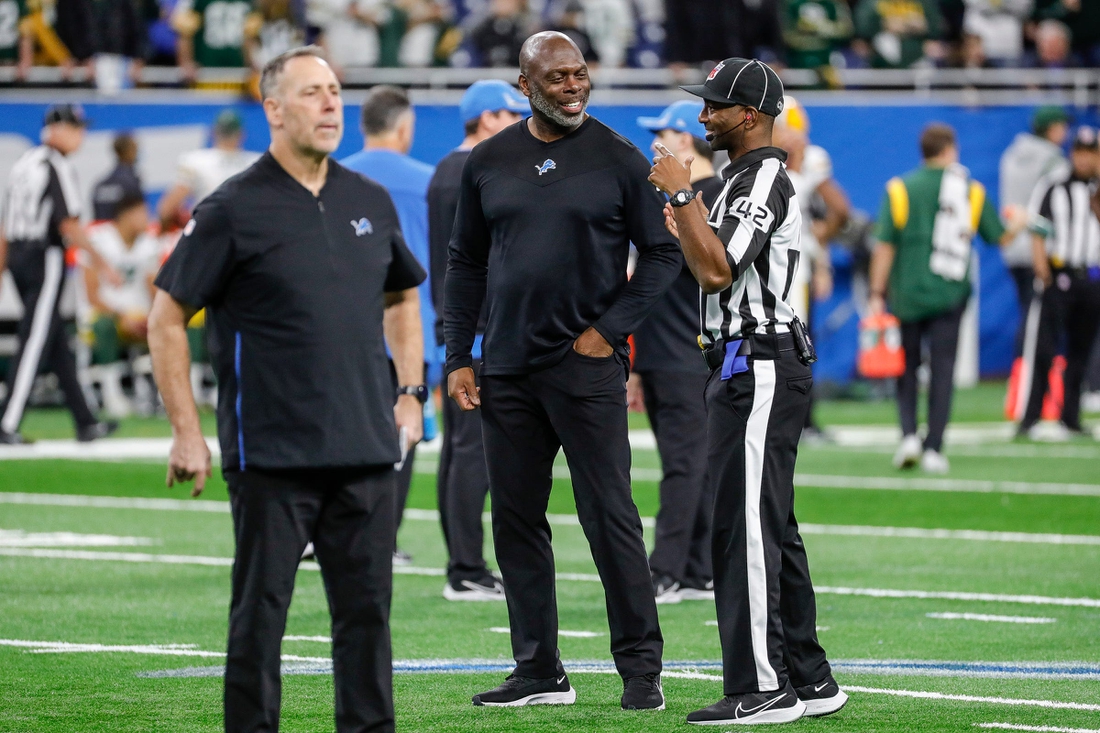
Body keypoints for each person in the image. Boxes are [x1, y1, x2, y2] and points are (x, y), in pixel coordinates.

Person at [148, 46, 426, 733]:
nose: (331, 103)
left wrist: (410, 391)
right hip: (272, 455)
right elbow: (165, 318)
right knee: (260, 618)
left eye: (335, 91)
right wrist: (187, 431)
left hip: (366, 449)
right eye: (312, 92)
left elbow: (401, 297)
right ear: (273, 109)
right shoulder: (231, 207)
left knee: (367, 620)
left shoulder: (368, 198)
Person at [445, 31, 677, 711]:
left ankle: (641, 669)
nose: (573, 86)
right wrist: (458, 355)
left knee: (609, 516)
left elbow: (662, 255)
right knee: (516, 521)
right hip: (506, 369)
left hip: (586, 369)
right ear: (525, 85)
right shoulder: (487, 160)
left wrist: (608, 333)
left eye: (580, 74)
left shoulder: (619, 157)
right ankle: (539, 669)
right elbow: (465, 263)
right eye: (557, 78)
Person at [649, 56, 845, 726]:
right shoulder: (740, 175)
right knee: (770, 526)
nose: (704, 114)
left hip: (759, 360)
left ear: (752, 115)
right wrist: (689, 219)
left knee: (745, 530)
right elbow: (714, 264)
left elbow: (718, 271)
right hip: (744, 360)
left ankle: (763, 686)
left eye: (716, 105)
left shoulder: (760, 175)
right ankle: (810, 678)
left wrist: (683, 197)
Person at [869, 123, 1026, 473]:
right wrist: (1020, 221)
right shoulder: (970, 190)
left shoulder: (899, 189)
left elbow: (884, 246)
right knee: (942, 370)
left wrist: (877, 292)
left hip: (907, 293)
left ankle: (909, 436)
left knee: (906, 368)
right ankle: (934, 447)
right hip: (949, 293)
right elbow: (999, 237)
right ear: (949, 149)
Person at [428, 79, 526, 602]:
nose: (520, 127)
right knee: (473, 453)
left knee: (458, 451)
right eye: (511, 116)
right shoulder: (478, 169)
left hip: (458, 326)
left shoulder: (444, 170)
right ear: (488, 118)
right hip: (480, 329)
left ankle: (462, 563)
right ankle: (465, 567)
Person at [342, 84, 436, 567]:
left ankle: (330, 532)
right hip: (413, 325)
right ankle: (384, 539)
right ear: (403, 128)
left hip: (346, 326)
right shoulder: (429, 182)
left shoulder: (334, 179)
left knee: (343, 430)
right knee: (402, 430)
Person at [630, 99, 720, 605]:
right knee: (691, 463)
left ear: (686, 139)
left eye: (662, 135)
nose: (654, 146)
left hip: (691, 351)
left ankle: (665, 570)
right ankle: (697, 568)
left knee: (685, 465)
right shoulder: (680, 198)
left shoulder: (708, 197)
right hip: (667, 351)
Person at [0, 103, 119, 445]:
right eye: (76, 128)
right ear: (57, 129)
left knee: (55, 342)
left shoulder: (23, 164)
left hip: (19, 255)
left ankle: (85, 421)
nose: (81, 136)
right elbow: (68, 224)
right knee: (35, 339)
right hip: (44, 257)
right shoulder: (58, 165)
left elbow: (6, 225)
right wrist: (102, 263)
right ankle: (7, 421)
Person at [772, 94, 849, 442]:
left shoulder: (804, 164)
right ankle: (797, 419)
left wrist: (820, 249)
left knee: (795, 341)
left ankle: (801, 419)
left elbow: (838, 211)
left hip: (791, 266)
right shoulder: (774, 165)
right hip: (784, 265)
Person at [1017, 126, 1100, 441]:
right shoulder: (1054, 184)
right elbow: (1038, 228)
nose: (1084, 159)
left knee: (1082, 351)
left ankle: (1071, 417)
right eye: (1080, 152)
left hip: (1092, 277)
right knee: (1045, 348)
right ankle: (1031, 418)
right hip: (1059, 275)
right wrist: (1042, 269)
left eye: (1090, 153)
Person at [82, 193, 162, 418]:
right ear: (126, 214)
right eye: (143, 213)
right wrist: (122, 316)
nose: (147, 218)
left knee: (169, 324)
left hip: (138, 316)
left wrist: (155, 315)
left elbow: (154, 290)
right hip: (103, 314)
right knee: (105, 325)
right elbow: (92, 295)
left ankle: (167, 394)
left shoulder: (148, 243)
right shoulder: (97, 239)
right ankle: (112, 393)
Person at [1000, 105, 1070, 358]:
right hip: (1041, 248)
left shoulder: (1011, 155)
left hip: (1013, 245)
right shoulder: (1053, 161)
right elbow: (1061, 205)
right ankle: (1031, 370)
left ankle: (1025, 369)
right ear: (1051, 129)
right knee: (1041, 318)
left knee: (1029, 313)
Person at [157, 109, 260, 227]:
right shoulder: (256, 163)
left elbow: (167, 209)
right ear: (241, 134)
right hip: (247, 232)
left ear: (214, 132)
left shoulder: (195, 161)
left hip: (208, 231)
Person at [92, 132, 144, 222]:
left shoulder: (100, 185)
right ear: (131, 151)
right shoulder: (131, 183)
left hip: (102, 229)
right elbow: (137, 218)